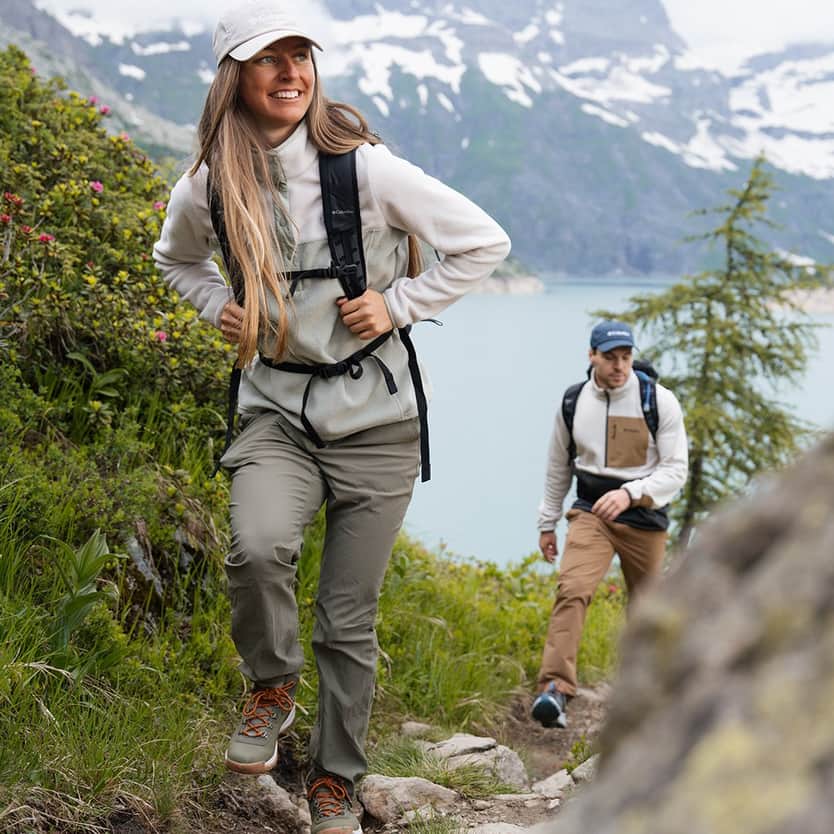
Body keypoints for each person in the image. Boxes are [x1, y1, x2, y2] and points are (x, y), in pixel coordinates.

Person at [153, 1, 510, 831]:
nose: (289, 71)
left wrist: (400, 305)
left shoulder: (366, 170)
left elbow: (483, 241)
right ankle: (270, 685)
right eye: (267, 58)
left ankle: (336, 780)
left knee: (348, 618)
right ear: (233, 78)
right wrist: (217, 308)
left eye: (299, 55)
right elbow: (175, 258)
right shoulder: (208, 183)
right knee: (257, 546)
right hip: (276, 408)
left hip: (378, 424)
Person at [531, 320, 688, 729]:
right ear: (592, 356)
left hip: (644, 516)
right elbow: (557, 468)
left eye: (626, 357)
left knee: (647, 608)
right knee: (573, 588)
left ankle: (651, 694)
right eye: (610, 357)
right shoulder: (573, 402)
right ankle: (555, 690)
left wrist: (632, 493)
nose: (619, 366)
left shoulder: (659, 401)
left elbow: (675, 472)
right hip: (592, 511)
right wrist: (547, 523)